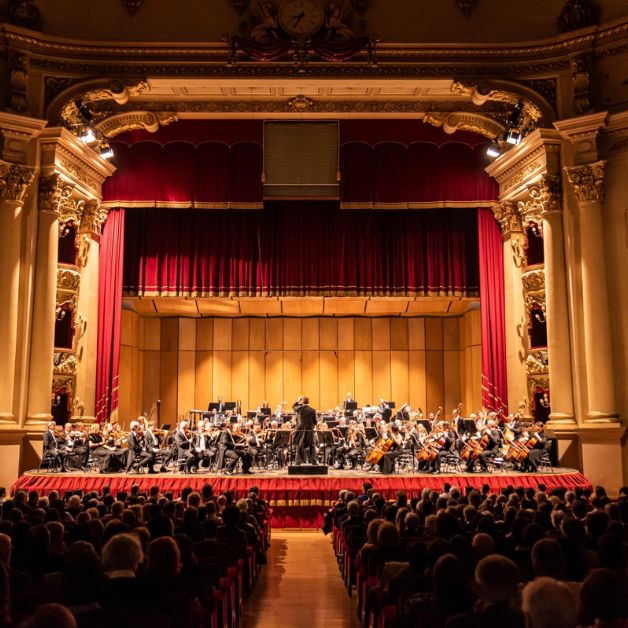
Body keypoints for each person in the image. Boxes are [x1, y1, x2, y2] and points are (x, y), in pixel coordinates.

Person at [292, 395, 317, 465]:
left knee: (299, 445)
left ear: (302, 401)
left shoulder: (299, 409)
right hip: (309, 430)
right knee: (312, 445)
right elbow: (315, 422)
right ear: (308, 402)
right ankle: (313, 461)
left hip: (300, 430)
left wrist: (298, 400)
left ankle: (298, 461)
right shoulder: (313, 410)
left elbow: (293, 406)